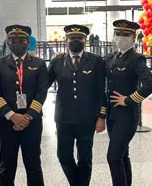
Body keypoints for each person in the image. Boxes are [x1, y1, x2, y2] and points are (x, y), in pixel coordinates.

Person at [0, 24, 48, 186]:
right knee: (7, 165)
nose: (17, 43)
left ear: (28, 42)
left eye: (21, 40)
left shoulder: (39, 63)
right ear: (8, 42)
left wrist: (27, 116)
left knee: (33, 164)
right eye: (13, 40)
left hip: (32, 121)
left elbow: (42, 93)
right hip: (6, 122)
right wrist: (11, 115)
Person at [48, 24, 106, 186]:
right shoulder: (57, 61)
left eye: (79, 38)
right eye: (72, 38)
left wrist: (101, 117)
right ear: (66, 40)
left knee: (85, 158)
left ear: (85, 40)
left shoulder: (96, 61)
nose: (75, 41)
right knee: (63, 156)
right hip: (64, 118)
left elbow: (101, 91)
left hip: (87, 118)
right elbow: (43, 85)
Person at [105, 20, 152, 186]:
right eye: (118, 34)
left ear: (134, 38)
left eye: (126, 35)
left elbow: (150, 84)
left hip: (127, 116)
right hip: (112, 115)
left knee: (113, 156)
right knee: (122, 155)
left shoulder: (136, 59)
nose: (121, 37)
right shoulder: (112, 57)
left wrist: (128, 100)